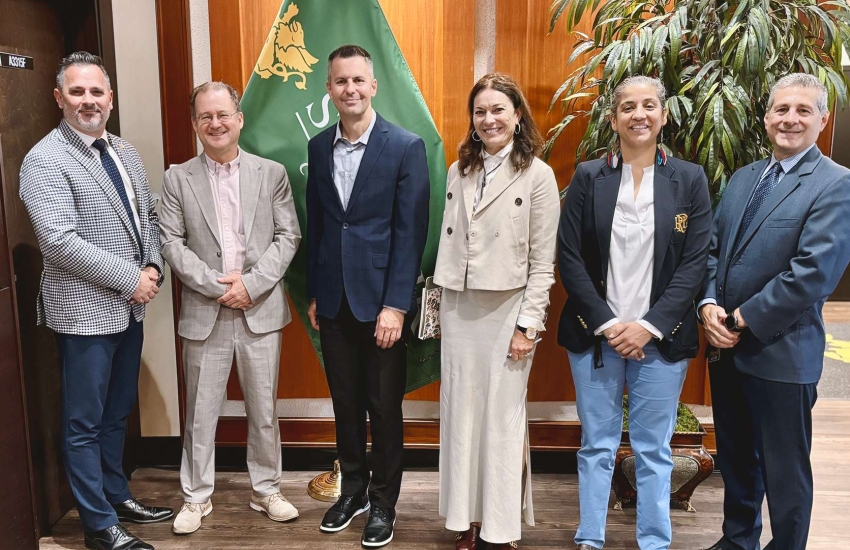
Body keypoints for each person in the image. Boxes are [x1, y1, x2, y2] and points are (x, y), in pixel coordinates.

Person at [18, 51, 173, 550]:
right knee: (83, 421)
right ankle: (98, 524)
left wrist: (151, 268)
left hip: (131, 304)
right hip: (85, 309)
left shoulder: (123, 152)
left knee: (117, 410)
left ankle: (115, 492)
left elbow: (147, 219)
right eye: (78, 92)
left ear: (111, 97)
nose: (89, 101)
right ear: (59, 98)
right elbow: (60, 242)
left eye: (97, 91)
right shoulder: (44, 160)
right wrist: (131, 278)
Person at [557, 75, 712, 550]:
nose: (638, 114)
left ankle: (653, 540)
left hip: (661, 340)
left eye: (649, 106)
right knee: (597, 445)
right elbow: (569, 258)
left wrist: (647, 327)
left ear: (663, 115)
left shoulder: (689, 178)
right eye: (628, 107)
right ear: (613, 118)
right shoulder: (588, 176)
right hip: (595, 337)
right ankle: (590, 538)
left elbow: (694, 263)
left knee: (653, 449)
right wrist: (608, 324)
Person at [699, 73, 850, 550]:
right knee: (737, 460)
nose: (791, 119)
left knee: (786, 471)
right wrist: (706, 305)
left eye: (803, 111)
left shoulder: (836, 184)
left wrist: (739, 319)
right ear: (766, 119)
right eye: (782, 110)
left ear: (823, 120)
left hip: (783, 352)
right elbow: (712, 251)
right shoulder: (745, 178)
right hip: (727, 349)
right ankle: (738, 539)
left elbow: (812, 274)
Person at [159, 81, 301, 534]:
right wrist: (218, 285)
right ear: (196, 124)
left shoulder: (271, 173)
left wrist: (252, 285)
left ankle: (266, 490)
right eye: (206, 117)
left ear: (239, 119)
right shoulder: (176, 177)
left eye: (223, 115)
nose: (215, 123)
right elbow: (171, 244)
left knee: (263, 410)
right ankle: (196, 497)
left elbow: (288, 237)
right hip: (207, 311)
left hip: (259, 309)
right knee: (201, 413)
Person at [305, 44, 430, 547]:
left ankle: (383, 502)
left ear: (373, 86)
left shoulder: (404, 146)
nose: (350, 89)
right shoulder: (317, 147)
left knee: (383, 408)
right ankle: (352, 489)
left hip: (382, 305)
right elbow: (320, 225)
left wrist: (396, 305)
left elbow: (411, 232)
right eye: (340, 82)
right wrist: (316, 291)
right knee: (345, 403)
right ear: (329, 89)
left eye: (358, 80)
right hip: (333, 301)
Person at [433, 73, 560, 550]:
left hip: (508, 310)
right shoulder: (458, 170)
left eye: (498, 110)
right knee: (460, 416)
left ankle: (500, 526)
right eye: (481, 111)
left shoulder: (538, 174)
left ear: (517, 115)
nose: (489, 120)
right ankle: (466, 519)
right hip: (460, 307)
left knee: (502, 418)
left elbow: (543, 264)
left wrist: (529, 325)